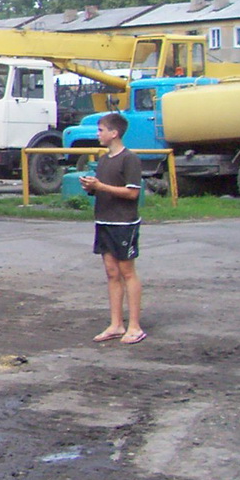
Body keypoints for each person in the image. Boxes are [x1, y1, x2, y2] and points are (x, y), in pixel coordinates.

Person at [83, 112, 146, 345]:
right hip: (104, 221)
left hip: (123, 223)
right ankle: (116, 324)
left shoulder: (129, 159)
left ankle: (135, 326)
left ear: (114, 133)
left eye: (101, 130)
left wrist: (101, 186)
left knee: (127, 272)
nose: (98, 134)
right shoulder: (104, 159)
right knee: (111, 272)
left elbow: (132, 193)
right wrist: (92, 187)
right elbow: (104, 188)